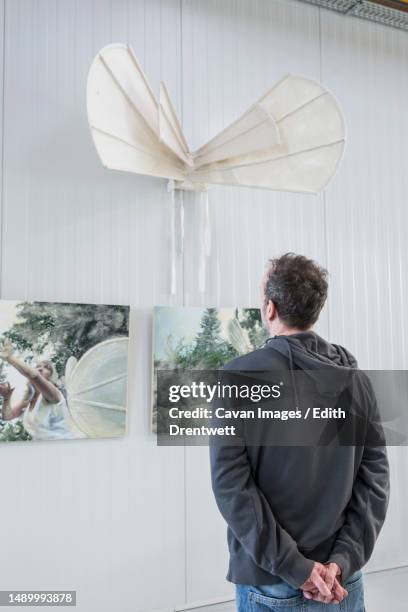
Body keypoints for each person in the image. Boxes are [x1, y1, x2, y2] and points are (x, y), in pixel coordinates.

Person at [210, 253, 390, 610]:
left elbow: (231, 486)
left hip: (272, 580)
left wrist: (299, 569)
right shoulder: (356, 383)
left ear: (270, 309)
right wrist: (341, 561)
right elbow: (376, 482)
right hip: (342, 579)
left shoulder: (237, 378)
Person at [0, 339, 85, 440]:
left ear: (51, 376)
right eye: (38, 367)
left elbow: (34, 376)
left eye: (46, 368)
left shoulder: (54, 394)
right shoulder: (28, 402)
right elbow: (7, 416)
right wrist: (7, 397)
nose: (40, 369)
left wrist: (10, 358)